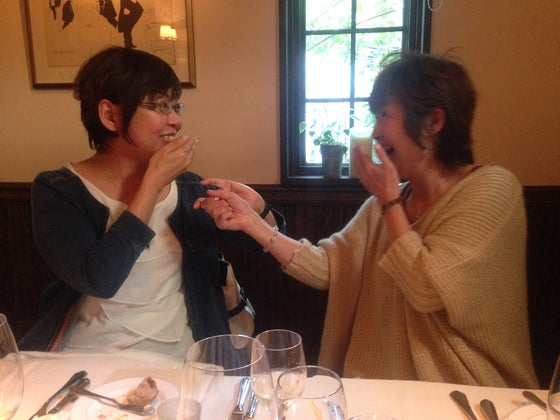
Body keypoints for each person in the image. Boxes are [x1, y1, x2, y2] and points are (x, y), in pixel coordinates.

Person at [194, 52, 539, 388]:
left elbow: (427, 289)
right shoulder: (385, 203)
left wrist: (389, 201)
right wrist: (251, 221)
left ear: (434, 122)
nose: (375, 132)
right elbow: (328, 268)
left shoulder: (491, 189)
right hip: (378, 389)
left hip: (465, 392)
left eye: (385, 114)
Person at [21, 46, 284, 359]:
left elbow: (265, 244)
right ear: (111, 116)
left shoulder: (187, 186)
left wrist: (259, 209)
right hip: (88, 357)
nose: (176, 120)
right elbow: (99, 280)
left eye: (176, 106)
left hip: (184, 357)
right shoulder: (59, 190)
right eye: (160, 106)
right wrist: (151, 185)